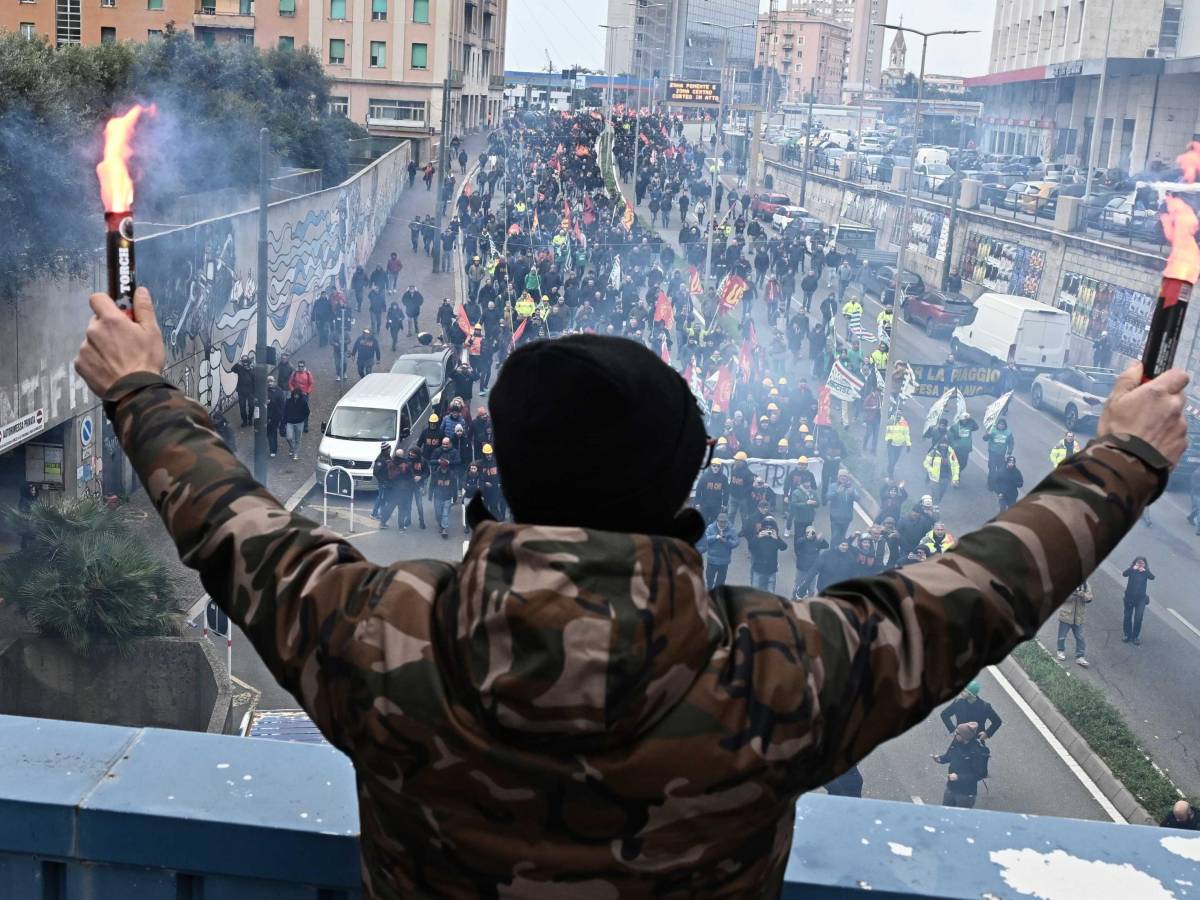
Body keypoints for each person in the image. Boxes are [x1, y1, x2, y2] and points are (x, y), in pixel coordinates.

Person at [77, 288, 1188, 897]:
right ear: (679, 490)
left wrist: (138, 386)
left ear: (506, 474)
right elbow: (979, 592)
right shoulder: (779, 671)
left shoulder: (380, 635)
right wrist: (1122, 458)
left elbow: (232, 525)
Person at [932, 722, 990, 809]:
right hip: (951, 788)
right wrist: (940, 759)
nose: (954, 734)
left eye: (957, 733)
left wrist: (958, 777)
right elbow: (950, 755)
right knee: (945, 813)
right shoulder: (956, 741)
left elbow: (980, 774)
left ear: (965, 736)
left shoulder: (977, 751)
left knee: (960, 819)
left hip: (965, 794)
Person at [747, 516, 788, 594]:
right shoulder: (759, 537)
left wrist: (777, 538)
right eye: (766, 529)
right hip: (758, 570)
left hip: (771, 571)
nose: (768, 531)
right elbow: (750, 546)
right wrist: (758, 537)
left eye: (770, 529)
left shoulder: (775, 538)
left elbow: (784, 547)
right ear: (763, 528)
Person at [1056, 582, 1092, 667]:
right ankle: (1060, 651)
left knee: (1081, 637)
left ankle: (1080, 657)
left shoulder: (1085, 584)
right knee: (1062, 636)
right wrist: (1073, 594)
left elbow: (1090, 598)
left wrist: (1082, 595)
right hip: (1066, 615)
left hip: (1078, 617)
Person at [1122, 555, 1155, 645]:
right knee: (1127, 617)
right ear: (1135, 562)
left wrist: (1145, 571)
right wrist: (1133, 568)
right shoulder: (1132, 570)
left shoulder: (1145, 572)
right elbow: (1124, 574)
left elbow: (1152, 577)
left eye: (1142, 563)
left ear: (1145, 564)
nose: (1140, 564)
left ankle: (1135, 636)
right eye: (1138, 562)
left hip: (1141, 600)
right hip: (1129, 598)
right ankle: (1127, 634)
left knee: (1138, 618)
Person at [702, 512, 739, 589]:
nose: (723, 524)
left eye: (725, 522)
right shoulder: (710, 528)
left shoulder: (731, 529)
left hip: (724, 561)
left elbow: (736, 542)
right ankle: (709, 588)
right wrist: (715, 537)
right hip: (712, 560)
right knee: (709, 577)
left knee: (721, 580)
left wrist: (726, 541)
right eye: (721, 522)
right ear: (717, 521)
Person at [792, 527, 828, 599]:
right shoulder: (802, 541)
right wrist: (806, 538)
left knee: (811, 589)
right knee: (797, 585)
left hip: (812, 570)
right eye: (808, 532)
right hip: (801, 568)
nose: (811, 534)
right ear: (805, 533)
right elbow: (797, 545)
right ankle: (794, 598)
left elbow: (826, 546)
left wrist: (822, 539)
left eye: (812, 532)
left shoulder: (817, 541)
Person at [825, 469, 858, 546]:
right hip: (835, 518)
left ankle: (840, 555)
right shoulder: (833, 486)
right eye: (841, 476)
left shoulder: (851, 487)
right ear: (838, 477)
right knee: (835, 537)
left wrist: (852, 493)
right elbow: (828, 497)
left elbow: (858, 497)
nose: (843, 477)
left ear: (847, 478)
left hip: (846, 518)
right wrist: (836, 492)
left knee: (842, 538)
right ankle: (832, 554)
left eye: (845, 476)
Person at [985, 417, 1014, 489]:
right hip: (992, 453)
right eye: (1000, 424)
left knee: (1000, 470)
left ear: (1005, 425)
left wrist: (1009, 452)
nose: (1001, 426)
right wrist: (987, 434)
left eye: (1002, 424)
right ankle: (990, 485)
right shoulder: (992, 431)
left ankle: (996, 482)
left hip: (1001, 455)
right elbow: (985, 439)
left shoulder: (1008, 433)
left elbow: (1011, 443)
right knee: (992, 469)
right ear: (997, 424)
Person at [281, 387, 308, 461]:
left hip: (299, 423)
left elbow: (307, 412)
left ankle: (295, 453)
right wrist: (285, 421)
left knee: (298, 439)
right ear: (293, 394)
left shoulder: (303, 402)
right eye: (295, 394)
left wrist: (302, 418)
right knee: (288, 437)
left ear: (300, 395)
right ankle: (292, 448)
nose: (296, 396)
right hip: (290, 422)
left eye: (297, 394)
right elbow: (285, 412)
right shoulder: (288, 401)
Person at [287, 360, 314, 433]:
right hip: (296, 394)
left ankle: (305, 426)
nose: (300, 368)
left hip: (304, 395)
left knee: (304, 410)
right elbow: (290, 382)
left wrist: (307, 392)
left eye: (302, 366)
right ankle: (296, 423)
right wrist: (293, 390)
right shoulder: (295, 373)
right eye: (299, 366)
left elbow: (311, 383)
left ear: (304, 366)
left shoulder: (308, 373)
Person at [884, 414, 911, 478]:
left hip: (899, 445)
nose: (898, 416)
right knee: (892, 460)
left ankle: (890, 467)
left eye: (899, 415)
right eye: (897, 415)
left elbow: (906, 434)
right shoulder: (891, 421)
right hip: (891, 445)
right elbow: (888, 431)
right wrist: (889, 438)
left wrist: (908, 444)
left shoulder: (904, 422)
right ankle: (891, 474)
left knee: (895, 460)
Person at [232, 354, 255, 427]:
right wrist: (238, 363)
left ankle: (250, 419)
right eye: (243, 361)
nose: (244, 362)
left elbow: (255, 380)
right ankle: (244, 421)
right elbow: (232, 369)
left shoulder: (252, 368)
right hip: (241, 391)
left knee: (251, 406)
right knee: (242, 407)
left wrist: (255, 392)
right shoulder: (239, 367)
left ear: (248, 361)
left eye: (246, 361)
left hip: (251, 391)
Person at [265, 375, 284, 458]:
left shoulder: (279, 391)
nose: (269, 383)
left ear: (274, 381)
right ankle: (273, 448)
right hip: (266, 416)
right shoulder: (264, 391)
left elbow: (281, 405)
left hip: (275, 416)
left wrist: (271, 402)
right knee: (270, 433)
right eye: (268, 381)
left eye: (271, 381)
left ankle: (273, 449)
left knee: (272, 433)